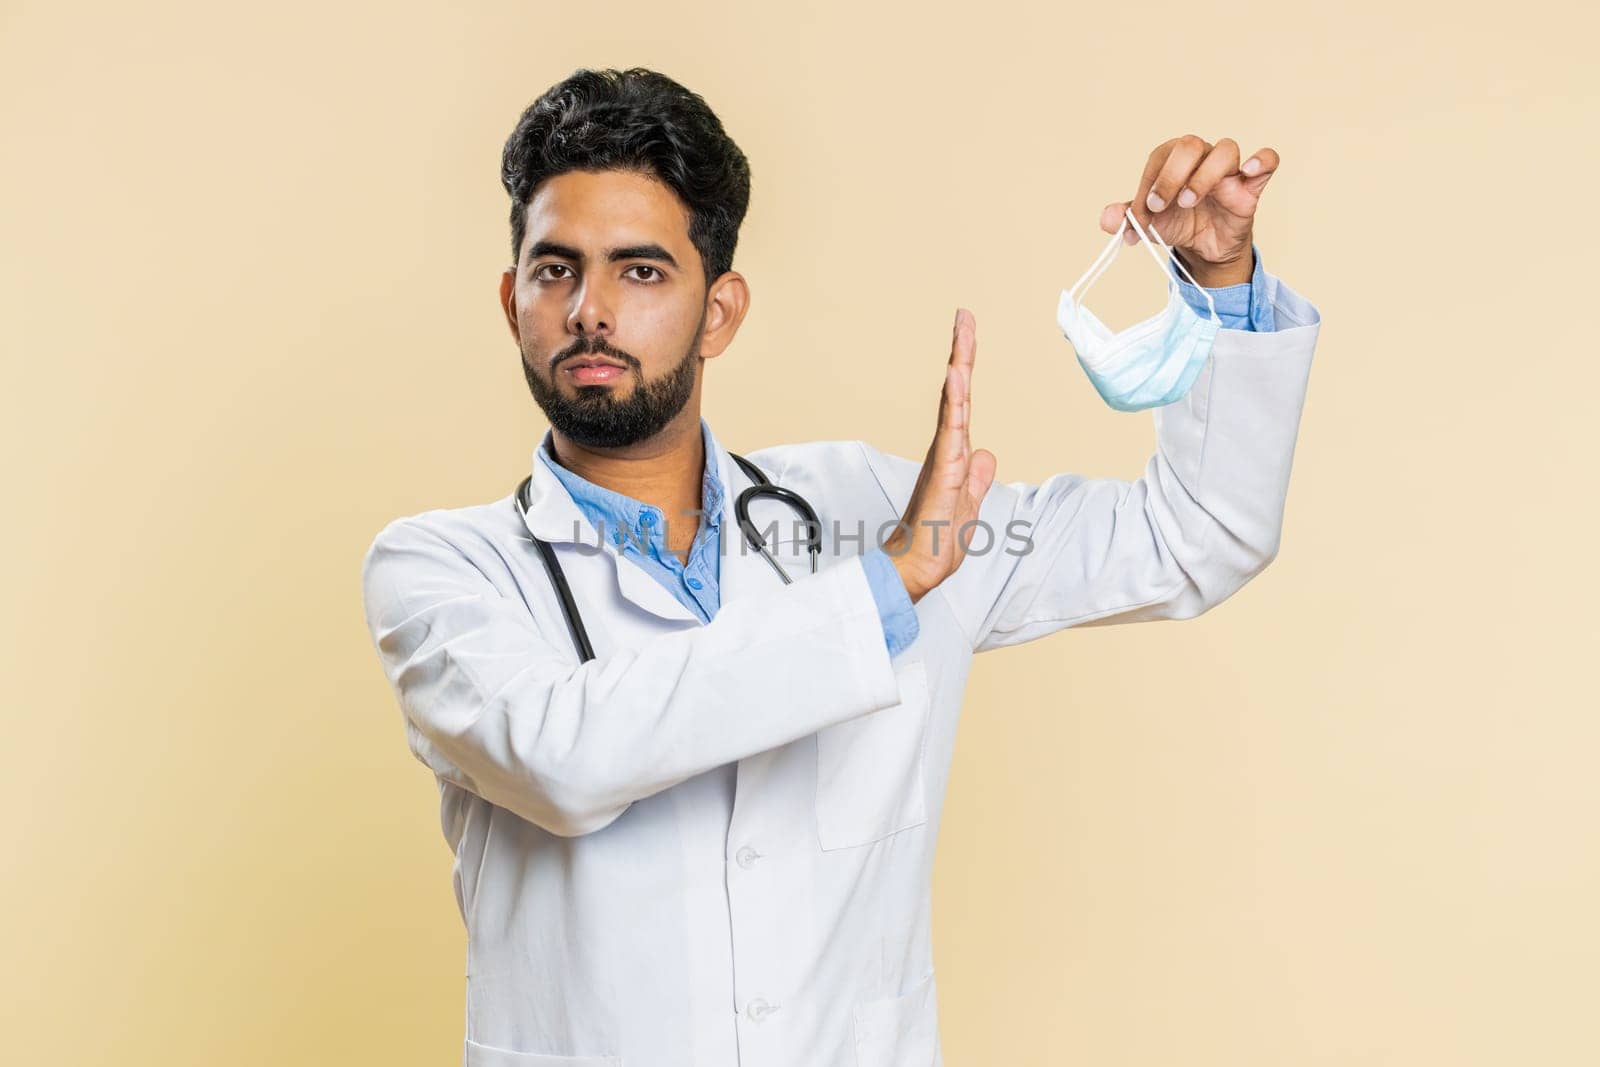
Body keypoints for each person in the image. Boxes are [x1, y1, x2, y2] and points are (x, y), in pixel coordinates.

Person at [360, 66, 1322, 1067]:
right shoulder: (443, 569)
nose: (590, 310)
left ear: (719, 310)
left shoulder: (875, 511)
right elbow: (560, 757)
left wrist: (1219, 283)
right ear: (512, 297)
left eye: (640, 271)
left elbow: (1197, 534)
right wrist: (884, 587)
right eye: (556, 269)